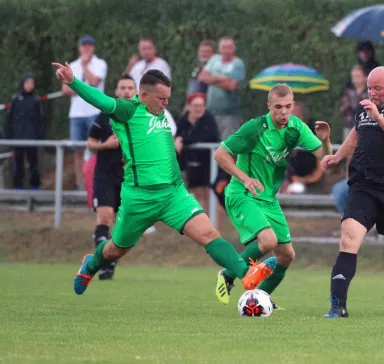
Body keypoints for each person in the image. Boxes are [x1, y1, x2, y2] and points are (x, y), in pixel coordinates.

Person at [52, 62, 277, 296]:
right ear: (144, 95)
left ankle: (246, 274)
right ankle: (90, 264)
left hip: (173, 194)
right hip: (139, 198)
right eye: (161, 98)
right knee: (115, 250)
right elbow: (99, 99)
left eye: (168, 97)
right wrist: (72, 81)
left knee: (209, 235)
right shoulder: (127, 110)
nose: (166, 103)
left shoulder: (162, 112)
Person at [213, 83, 332, 307]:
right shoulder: (254, 128)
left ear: (293, 106)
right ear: (269, 106)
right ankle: (228, 274)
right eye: (278, 106)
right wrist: (245, 178)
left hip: (268, 198)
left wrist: (325, 140)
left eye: (288, 106)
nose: (284, 111)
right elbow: (220, 154)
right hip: (243, 193)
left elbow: (324, 158)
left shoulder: (296, 127)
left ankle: (261, 298)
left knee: (286, 255)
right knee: (268, 240)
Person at [320, 67, 384, 318]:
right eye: (369, 88)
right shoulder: (363, 109)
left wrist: (378, 117)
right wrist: (337, 155)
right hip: (363, 187)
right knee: (348, 239)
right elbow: (356, 135)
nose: (373, 93)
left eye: (378, 88)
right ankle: (338, 306)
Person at [86, 74, 136, 280]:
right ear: (116, 91)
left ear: (136, 92)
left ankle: (108, 257)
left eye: (129, 88)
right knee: (105, 218)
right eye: (122, 87)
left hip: (128, 178)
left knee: (122, 225)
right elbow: (90, 143)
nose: (125, 91)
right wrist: (105, 145)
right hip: (104, 174)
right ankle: (105, 263)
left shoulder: (138, 117)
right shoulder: (105, 114)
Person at [62, 35, 108, 190]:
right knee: (78, 150)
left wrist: (85, 66)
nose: (86, 48)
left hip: (94, 111)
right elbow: (65, 89)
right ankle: (80, 186)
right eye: (83, 45)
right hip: (76, 114)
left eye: (89, 45)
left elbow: (94, 82)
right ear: (79, 47)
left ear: (93, 47)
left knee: (95, 148)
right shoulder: (72, 65)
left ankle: (95, 183)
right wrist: (80, 88)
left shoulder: (100, 64)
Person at [175, 93, 220, 210]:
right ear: (189, 106)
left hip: (209, 162)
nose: (199, 109)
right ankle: (203, 225)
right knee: (197, 194)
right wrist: (177, 140)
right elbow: (178, 136)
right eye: (195, 106)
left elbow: (208, 137)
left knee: (211, 194)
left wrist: (183, 140)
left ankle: (214, 225)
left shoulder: (209, 119)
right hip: (192, 163)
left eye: (201, 105)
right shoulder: (183, 120)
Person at [199, 36, 246, 140]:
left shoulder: (237, 63)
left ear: (234, 48)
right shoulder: (214, 59)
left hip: (229, 114)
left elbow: (232, 86)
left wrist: (212, 79)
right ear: (220, 49)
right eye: (224, 47)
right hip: (210, 112)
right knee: (209, 143)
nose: (226, 50)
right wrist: (221, 78)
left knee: (227, 146)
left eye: (229, 47)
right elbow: (202, 77)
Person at [3, 73, 43, 189]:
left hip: (32, 138)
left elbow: (40, 120)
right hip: (18, 138)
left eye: (32, 83)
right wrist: (8, 135)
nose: (30, 86)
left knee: (34, 164)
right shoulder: (16, 99)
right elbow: (9, 119)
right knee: (18, 165)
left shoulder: (36, 100)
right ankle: (17, 187)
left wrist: (40, 136)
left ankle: (35, 187)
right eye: (28, 83)